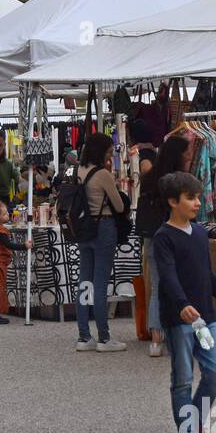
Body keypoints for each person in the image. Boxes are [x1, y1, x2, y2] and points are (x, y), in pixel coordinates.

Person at [153, 171, 216, 433]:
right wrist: (181, 304)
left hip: (204, 319)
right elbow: (168, 276)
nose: (197, 202)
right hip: (180, 319)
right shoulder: (164, 237)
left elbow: (206, 274)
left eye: (198, 197)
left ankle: (195, 425)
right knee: (183, 378)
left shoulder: (200, 232)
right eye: (190, 197)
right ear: (173, 202)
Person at [136, 134, 192, 358]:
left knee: (158, 287)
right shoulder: (178, 181)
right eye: (187, 152)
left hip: (151, 237)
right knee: (174, 287)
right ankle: (170, 337)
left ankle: (156, 340)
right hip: (173, 238)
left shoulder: (151, 178)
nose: (189, 156)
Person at [74, 131, 128, 353]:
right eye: (109, 149)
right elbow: (120, 206)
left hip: (84, 228)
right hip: (103, 227)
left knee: (84, 282)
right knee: (100, 282)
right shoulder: (103, 174)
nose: (110, 153)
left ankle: (84, 336)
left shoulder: (81, 170)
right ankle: (104, 338)